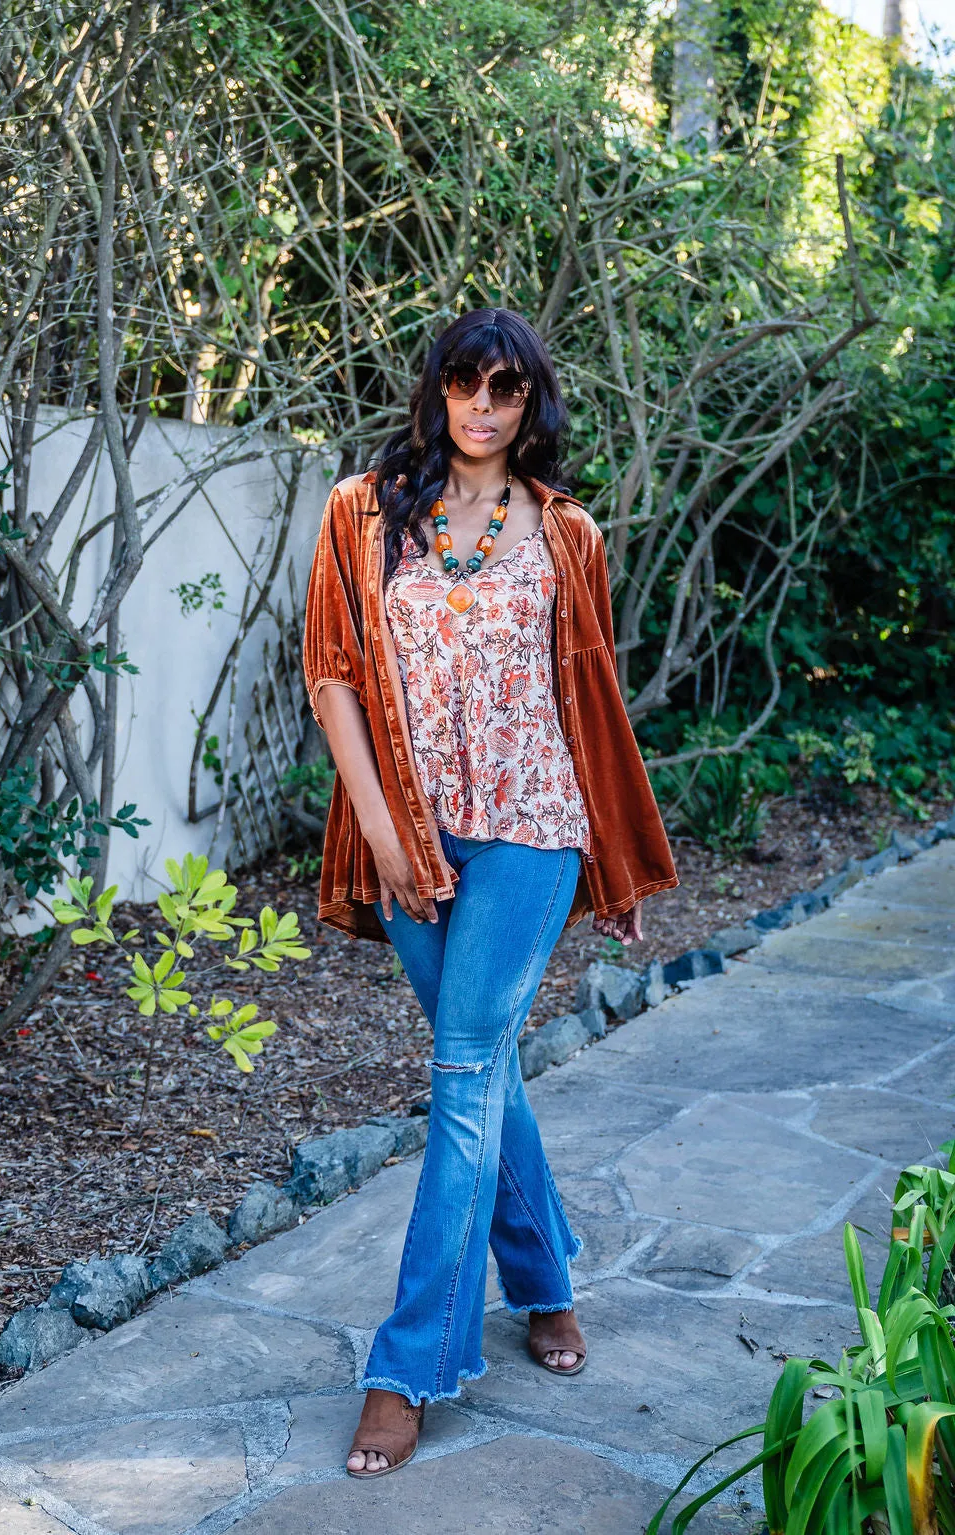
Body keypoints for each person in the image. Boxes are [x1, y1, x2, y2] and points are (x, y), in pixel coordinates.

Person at [302, 308, 678, 1478]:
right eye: (464, 380)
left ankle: (406, 1361)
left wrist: (612, 857)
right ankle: (548, 1277)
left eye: (505, 387)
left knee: (461, 1068)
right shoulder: (363, 514)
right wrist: (380, 831)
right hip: (409, 829)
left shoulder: (568, 533)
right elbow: (330, 674)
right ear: (437, 389)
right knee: (487, 1065)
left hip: (531, 826)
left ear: (530, 403)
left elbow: (591, 706)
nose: (482, 403)